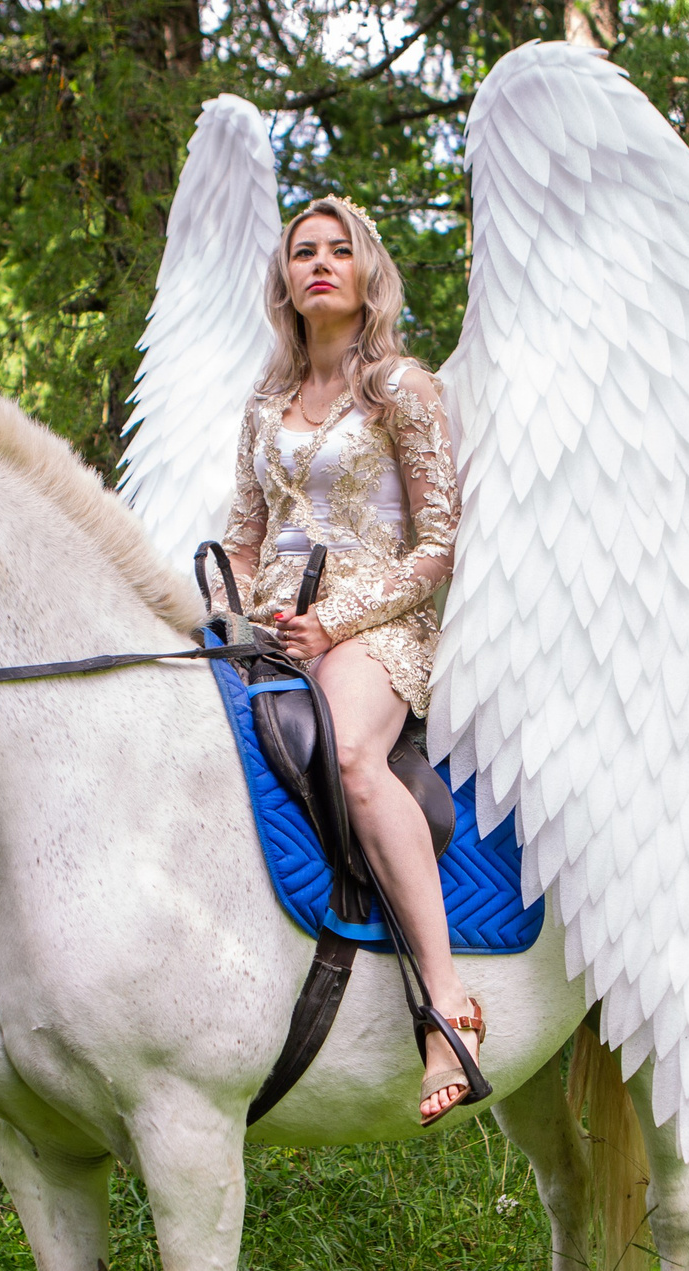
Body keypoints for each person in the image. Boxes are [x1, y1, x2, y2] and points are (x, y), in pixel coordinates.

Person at [216, 196, 481, 1126]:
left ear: (366, 273)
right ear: (285, 281)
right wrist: (230, 611)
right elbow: (244, 539)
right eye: (302, 252)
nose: (319, 263)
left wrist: (333, 621)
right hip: (272, 626)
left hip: (380, 625)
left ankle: (447, 1006)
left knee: (353, 752)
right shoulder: (262, 403)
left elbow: (437, 546)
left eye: (338, 250)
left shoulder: (403, 389)